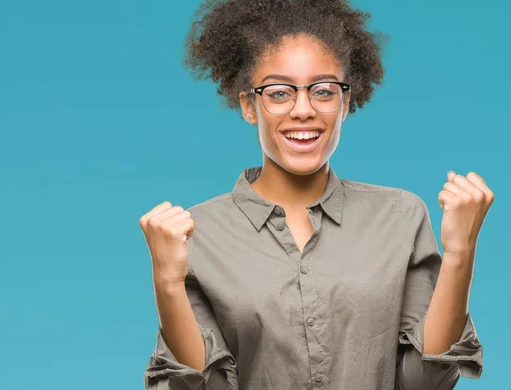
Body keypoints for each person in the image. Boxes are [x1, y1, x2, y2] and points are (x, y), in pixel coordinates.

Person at [139, 0, 494, 389]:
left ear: (344, 102)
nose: (303, 109)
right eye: (279, 93)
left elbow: (423, 383)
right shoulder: (197, 234)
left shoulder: (400, 216)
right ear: (249, 106)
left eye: (323, 91)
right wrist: (167, 282)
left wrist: (461, 252)